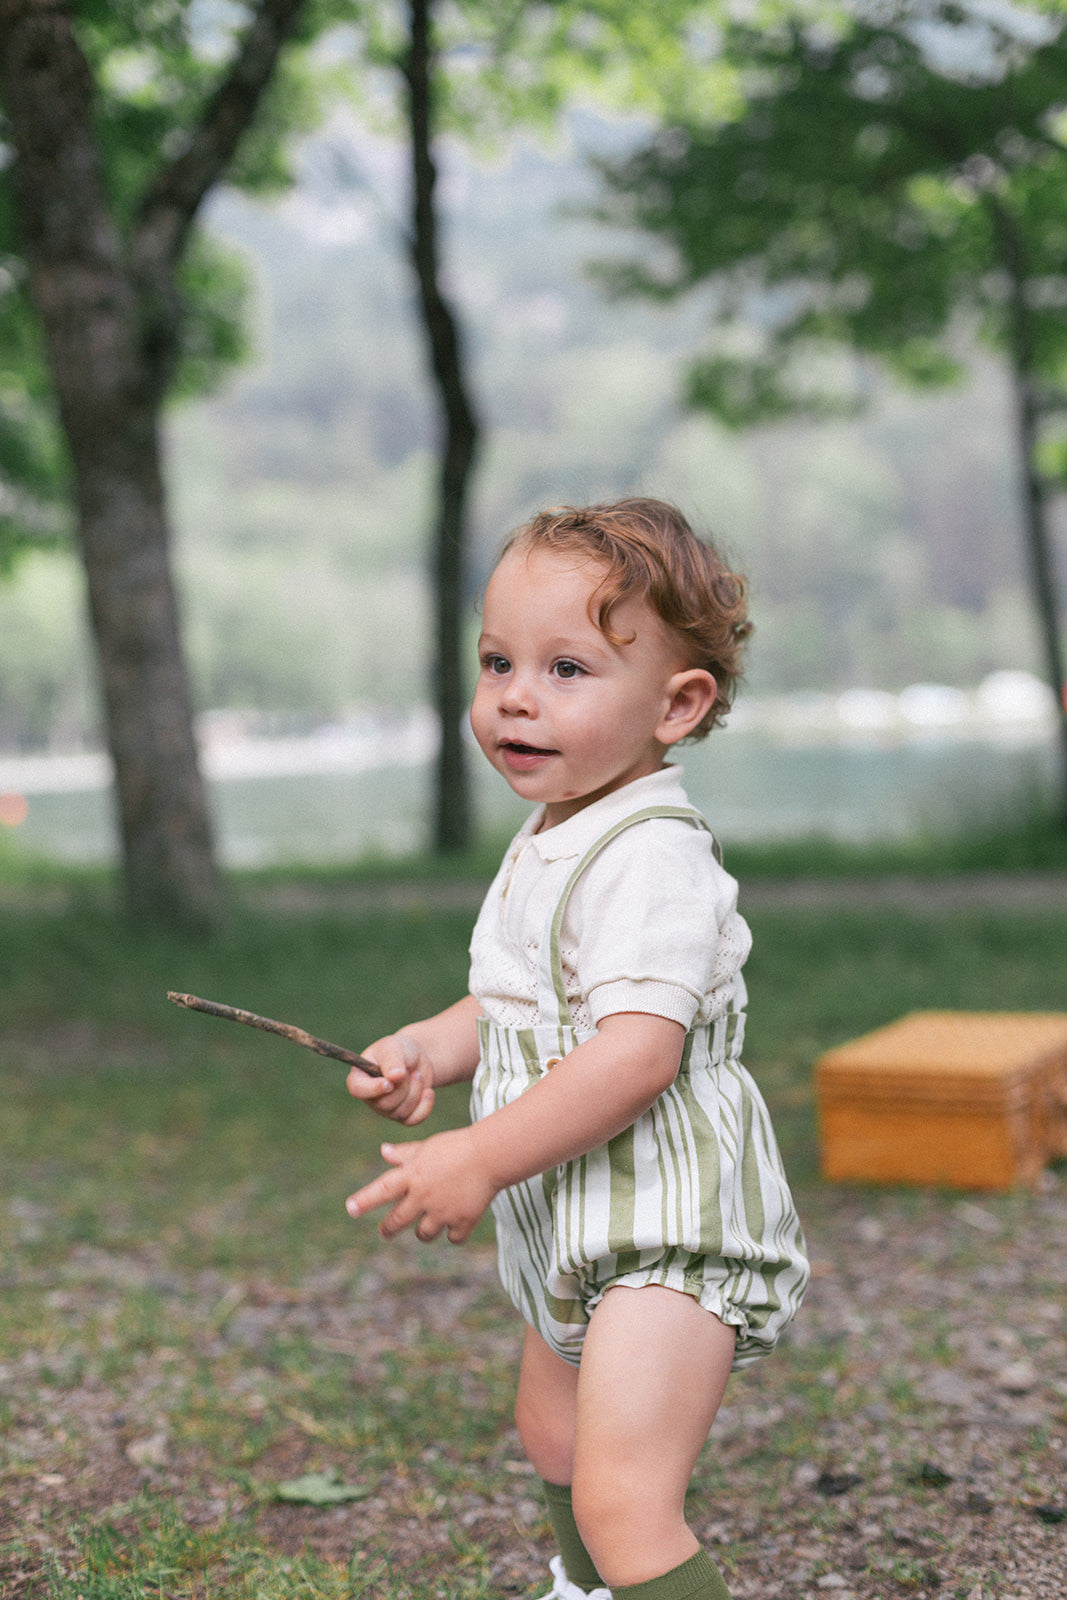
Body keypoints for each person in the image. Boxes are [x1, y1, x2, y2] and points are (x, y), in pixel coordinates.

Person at [345, 498, 809, 1600]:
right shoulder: (556, 830)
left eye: (565, 668)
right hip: (574, 1216)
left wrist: (480, 1154)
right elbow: (513, 1001)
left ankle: (625, 1570)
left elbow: (634, 1054)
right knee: (550, 1435)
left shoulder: (652, 856)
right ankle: (587, 1588)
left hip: (663, 1220)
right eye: (497, 659)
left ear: (676, 703)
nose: (514, 694)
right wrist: (425, 1046)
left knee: (620, 1491)